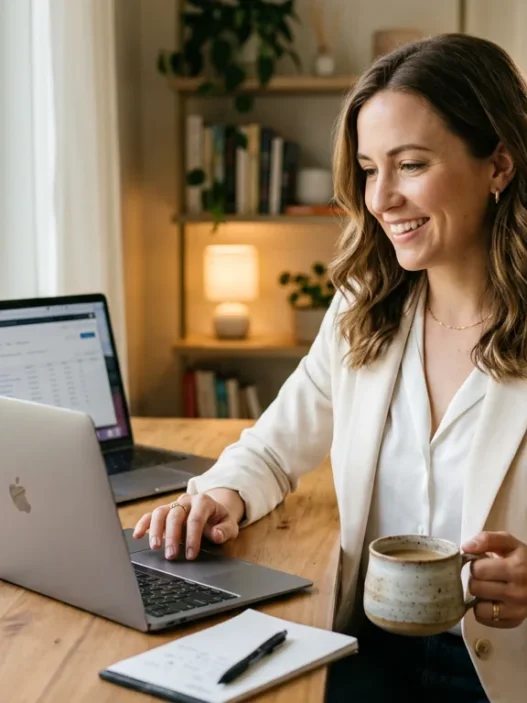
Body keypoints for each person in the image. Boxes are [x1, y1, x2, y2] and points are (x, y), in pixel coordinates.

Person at [134, 34, 527, 702]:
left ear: (497, 164)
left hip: (502, 668)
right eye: (371, 170)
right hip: (365, 644)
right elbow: (273, 444)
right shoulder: (363, 308)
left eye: (409, 165)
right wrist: (218, 497)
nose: (381, 199)